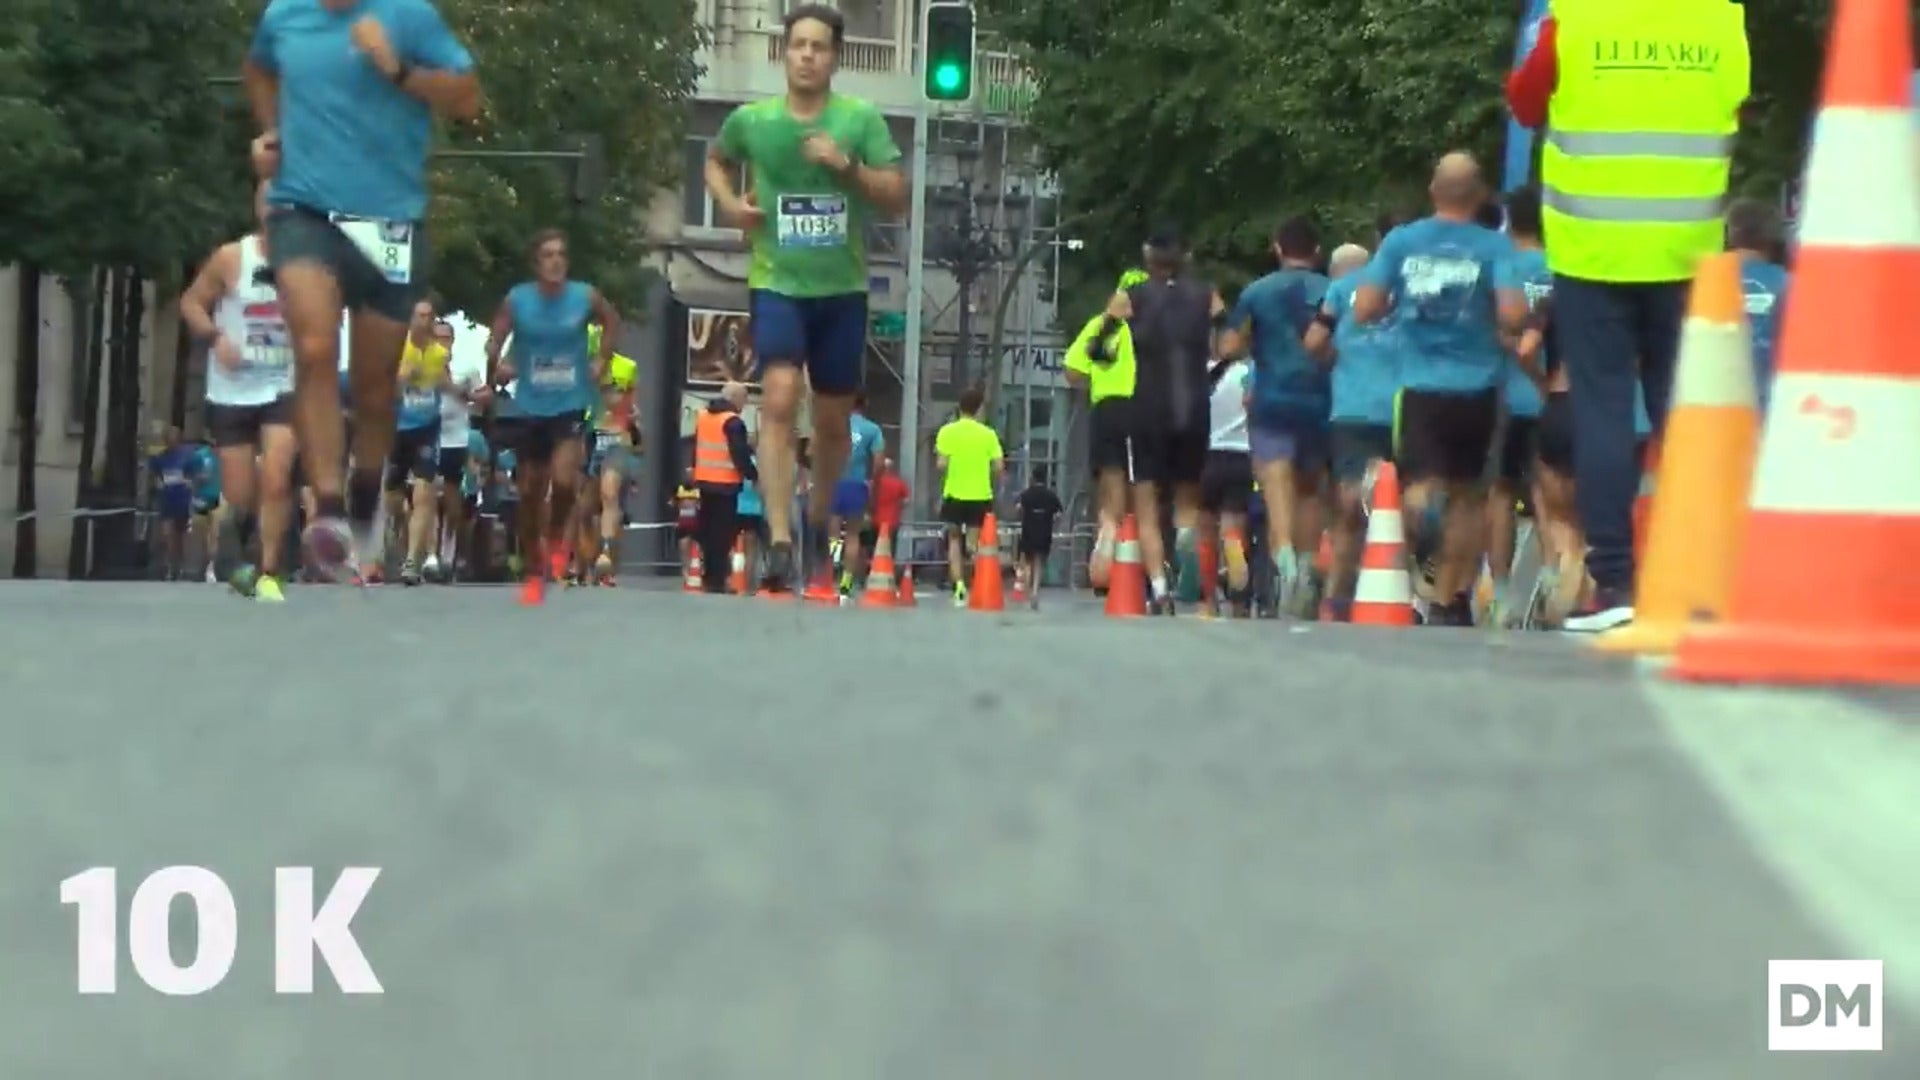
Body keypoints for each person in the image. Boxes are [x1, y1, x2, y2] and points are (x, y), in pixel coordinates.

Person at [1507, 0, 1749, 631]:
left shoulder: (1574, 18)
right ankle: (1706, 580)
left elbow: (1526, 103)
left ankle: (1615, 584)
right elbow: (1737, 104)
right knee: (1689, 417)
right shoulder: (1721, 18)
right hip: (1687, 247)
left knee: (1604, 412)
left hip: (1594, 248)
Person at [243, 0, 481, 580]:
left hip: (390, 219)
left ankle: (366, 491)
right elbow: (259, 68)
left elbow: (468, 99)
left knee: (376, 389)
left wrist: (398, 70)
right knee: (316, 349)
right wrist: (271, 131)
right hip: (304, 208)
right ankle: (326, 508)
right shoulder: (285, 16)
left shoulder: (410, 16)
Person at [704, 2, 906, 596]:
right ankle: (779, 536)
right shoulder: (755, 122)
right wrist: (729, 205)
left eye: (819, 47)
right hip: (777, 280)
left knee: (833, 420)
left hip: (841, 288)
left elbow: (896, 196)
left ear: (835, 58)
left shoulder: (859, 119)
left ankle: (817, 522)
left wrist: (847, 168)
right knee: (780, 396)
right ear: (784, 53)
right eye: (798, 46)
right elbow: (715, 160)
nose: (808, 56)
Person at [1354, 152, 1529, 627]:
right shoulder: (1495, 248)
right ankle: (1449, 600)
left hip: (1420, 386)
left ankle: (1418, 543)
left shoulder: (1402, 241)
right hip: (1480, 388)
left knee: (1419, 487)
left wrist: (1398, 303)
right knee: (1469, 497)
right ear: (1478, 196)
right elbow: (1514, 316)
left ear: (1433, 190)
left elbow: (1365, 307)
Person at [177, 180, 300, 602]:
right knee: (240, 493)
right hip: (232, 389)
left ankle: (270, 570)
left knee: (279, 476)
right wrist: (215, 338)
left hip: (282, 383)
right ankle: (237, 555)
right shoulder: (232, 258)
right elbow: (191, 303)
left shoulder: (306, 263)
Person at [485, 228, 621, 604]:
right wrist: (496, 366)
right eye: (548, 255)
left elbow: (612, 320)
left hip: (571, 400)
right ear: (536, 263)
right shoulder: (518, 299)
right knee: (529, 490)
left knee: (563, 482)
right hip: (529, 404)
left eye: (561, 254)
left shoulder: (583, 296)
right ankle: (532, 559)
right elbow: (496, 339)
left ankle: (558, 529)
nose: (556, 261)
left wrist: (600, 359)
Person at [1092, 232, 1224, 615]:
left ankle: (1161, 589)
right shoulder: (1206, 295)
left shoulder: (1132, 296)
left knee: (1146, 504)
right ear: (1183, 255)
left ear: (1147, 256)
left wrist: (1111, 319)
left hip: (1147, 407)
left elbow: (1098, 352)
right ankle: (1185, 536)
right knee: (1187, 497)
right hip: (1194, 406)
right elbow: (1229, 336)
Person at [1220, 217, 1330, 616]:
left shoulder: (1256, 292)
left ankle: (1283, 561)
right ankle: (1305, 563)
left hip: (1271, 399)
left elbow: (1230, 345)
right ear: (1316, 252)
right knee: (1310, 490)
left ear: (1278, 248)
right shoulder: (1331, 290)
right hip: (1320, 400)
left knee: (1275, 483)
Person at [1303, 241, 1390, 620]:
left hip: (1352, 406)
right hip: (1402, 406)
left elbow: (1314, 342)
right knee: (1398, 501)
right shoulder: (1398, 287)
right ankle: (1404, 583)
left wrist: (1332, 359)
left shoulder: (1338, 291)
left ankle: (1336, 596)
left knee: (1348, 506)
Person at [390, 299, 450, 584]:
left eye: (429, 316)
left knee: (424, 494)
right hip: (397, 429)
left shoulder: (440, 353)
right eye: (420, 316)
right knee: (394, 498)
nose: (424, 321)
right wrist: (401, 379)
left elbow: (445, 384)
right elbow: (382, 387)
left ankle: (413, 560)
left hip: (427, 428)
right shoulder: (397, 348)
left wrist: (470, 393)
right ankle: (401, 535)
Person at [934, 387, 1005, 607]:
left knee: (954, 540)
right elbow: (999, 467)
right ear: (979, 408)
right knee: (975, 544)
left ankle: (959, 587)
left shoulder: (947, 432)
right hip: (980, 494)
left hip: (954, 493)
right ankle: (978, 583)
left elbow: (941, 464)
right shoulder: (988, 434)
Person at [582, 338, 642, 585]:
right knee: (585, 510)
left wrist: (634, 418)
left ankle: (606, 555)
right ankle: (586, 563)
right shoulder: (581, 365)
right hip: (588, 435)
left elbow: (631, 405)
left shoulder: (627, 366)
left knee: (610, 495)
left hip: (617, 438)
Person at [431, 317, 485, 582]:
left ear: (452, 341)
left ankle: (449, 554)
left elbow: (485, 398)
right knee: (423, 496)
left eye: (446, 338)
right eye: (437, 338)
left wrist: (471, 394)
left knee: (452, 504)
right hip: (426, 435)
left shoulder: (467, 368)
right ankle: (421, 556)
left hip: (455, 439)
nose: (442, 343)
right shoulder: (418, 366)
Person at [691, 382, 758, 594]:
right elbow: (739, 453)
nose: (744, 405)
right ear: (735, 398)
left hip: (705, 482)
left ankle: (710, 577)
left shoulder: (703, 416)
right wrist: (753, 475)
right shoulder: (733, 422)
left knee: (708, 533)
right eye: (744, 400)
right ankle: (718, 580)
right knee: (722, 535)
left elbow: (696, 447)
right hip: (726, 485)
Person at [1726, 197, 1790, 411]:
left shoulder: (1703, 282)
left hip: (1709, 409)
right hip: (1770, 405)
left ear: (1731, 234)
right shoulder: (1790, 284)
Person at [832, 391, 884, 597]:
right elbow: (879, 461)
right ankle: (846, 581)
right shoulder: (872, 429)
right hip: (857, 484)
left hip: (834, 482)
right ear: (866, 403)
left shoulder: (835, 425)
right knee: (853, 535)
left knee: (833, 534)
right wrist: (873, 481)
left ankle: (830, 573)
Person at [148, 428, 199, 580]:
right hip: (166, 500)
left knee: (181, 536)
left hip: (183, 499)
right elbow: (154, 475)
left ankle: (181, 566)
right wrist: (157, 483)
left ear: (179, 440)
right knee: (167, 534)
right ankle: (170, 567)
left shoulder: (187, 457)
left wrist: (191, 485)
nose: (171, 442)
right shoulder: (160, 458)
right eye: (168, 439)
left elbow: (195, 475)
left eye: (173, 439)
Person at [1013, 469, 1063, 611]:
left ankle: (1028, 592)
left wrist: (1024, 515)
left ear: (1032, 478)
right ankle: (1035, 591)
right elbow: (1059, 514)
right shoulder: (1051, 496)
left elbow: (1017, 508)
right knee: (1038, 562)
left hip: (1028, 531)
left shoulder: (1027, 494)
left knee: (1027, 562)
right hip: (1044, 532)